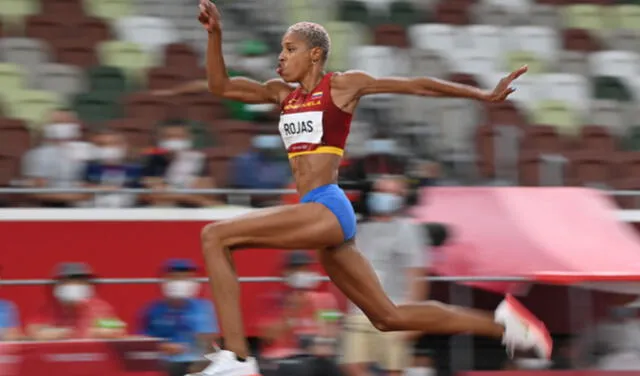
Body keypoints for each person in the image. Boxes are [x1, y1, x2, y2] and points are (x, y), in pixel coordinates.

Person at [192, 2, 552, 375]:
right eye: (281, 50)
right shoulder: (281, 95)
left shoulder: (343, 85)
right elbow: (220, 85)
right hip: (321, 218)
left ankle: (237, 360)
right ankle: (504, 324)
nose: (280, 57)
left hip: (328, 206)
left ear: (315, 54)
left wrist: (481, 95)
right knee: (388, 317)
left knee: (215, 236)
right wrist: (215, 34)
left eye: (290, 49)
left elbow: (417, 86)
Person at [340, 175, 428, 376]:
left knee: (393, 369)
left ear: (401, 198)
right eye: (380, 191)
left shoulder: (408, 230)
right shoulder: (359, 228)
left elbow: (416, 274)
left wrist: (414, 319)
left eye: (390, 193)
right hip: (359, 310)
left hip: (394, 308)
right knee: (352, 367)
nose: (383, 196)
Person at [140, 259, 219, 376]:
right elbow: (140, 341)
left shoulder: (203, 308)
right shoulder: (152, 310)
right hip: (161, 364)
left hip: (194, 364)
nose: (180, 283)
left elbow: (206, 342)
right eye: (175, 278)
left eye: (186, 278)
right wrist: (161, 347)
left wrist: (186, 349)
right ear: (164, 281)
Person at [26, 263, 127, 340]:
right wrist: (59, 333)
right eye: (68, 281)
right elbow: (33, 331)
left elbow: (117, 329)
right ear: (57, 286)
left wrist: (99, 332)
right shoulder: (48, 309)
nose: (75, 285)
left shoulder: (99, 308)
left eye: (81, 282)